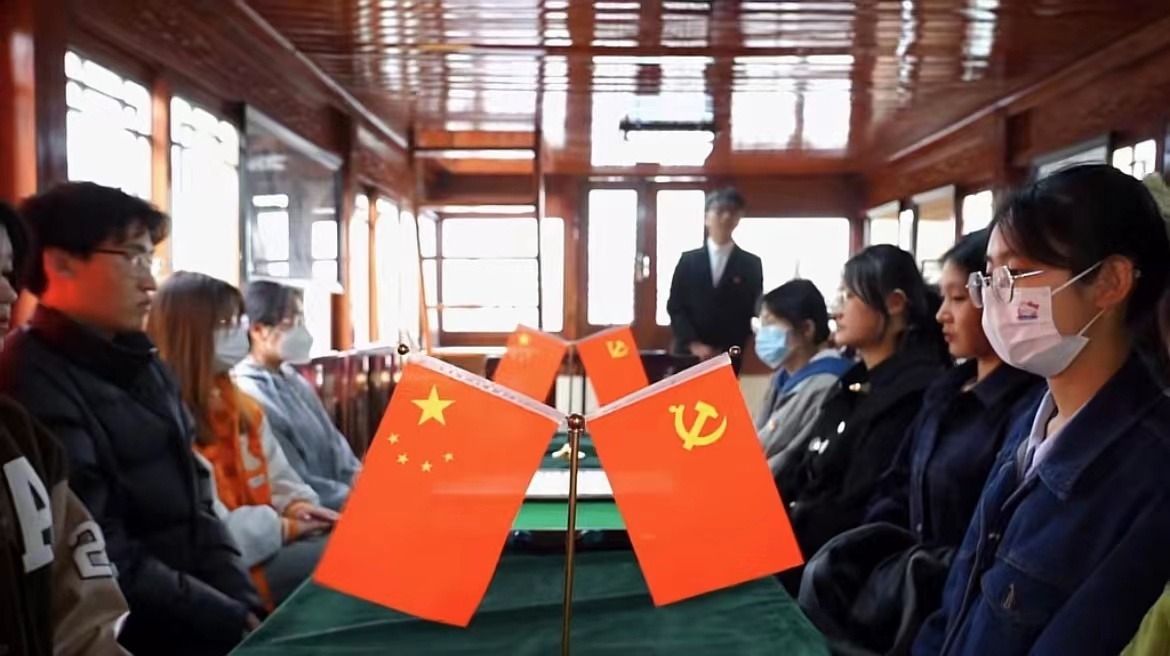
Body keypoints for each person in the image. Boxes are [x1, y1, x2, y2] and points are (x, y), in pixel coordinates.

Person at [913, 164, 1170, 655]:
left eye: (1015, 274)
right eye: (990, 276)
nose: (995, 297)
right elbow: (956, 605)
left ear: (1110, 282)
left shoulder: (1152, 475)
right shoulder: (1032, 423)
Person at [0, 182, 262, 655]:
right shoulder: (29, 378)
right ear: (60, 263)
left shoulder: (145, 363)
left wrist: (241, 602)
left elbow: (199, 506)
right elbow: (102, 550)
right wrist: (223, 617)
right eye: (132, 258)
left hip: (199, 614)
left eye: (150, 260)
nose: (150, 283)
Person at [798, 230, 1044, 655]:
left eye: (959, 298)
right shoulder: (945, 390)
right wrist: (877, 557)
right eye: (943, 297)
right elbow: (894, 486)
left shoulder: (1027, 407)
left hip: (951, 604)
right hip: (893, 586)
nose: (942, 314)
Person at [148, 272, 335, 609]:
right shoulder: (163, 414)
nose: (240, 333)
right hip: (224, 568)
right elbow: (214, 530)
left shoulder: (241, 405)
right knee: (346, 561)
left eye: (239, 321)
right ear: (190, 332)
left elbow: (280, 477)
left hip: (269, 541)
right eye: (226, 323)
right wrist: (285, 528)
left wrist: (297, 506)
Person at [774, 244, 948, 593]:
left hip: (835, 571)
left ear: (894, 303)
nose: (837, 311)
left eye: (849, 296)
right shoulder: (853, 380)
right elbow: (802, 465)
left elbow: (855, 507)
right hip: (796, 544)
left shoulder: (915, 391)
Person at [0, 202, 130, 656]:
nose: (8, 293)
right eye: (131, 255)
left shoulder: (22, 438)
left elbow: (85, 619)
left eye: (8, 272)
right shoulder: (34, 374)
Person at [234, 280, 361, 511]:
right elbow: (293, 479)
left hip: (345, 502)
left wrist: (363, 483)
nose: (300, 330)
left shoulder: (294, 380)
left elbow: (336, 447)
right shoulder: (250, 393)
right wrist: (354, 500)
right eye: (290, 322)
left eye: (301, 320)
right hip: (313, 511)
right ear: (258, 330)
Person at [753, 279, 854, 476]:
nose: (762, 335)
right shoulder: (782, 377)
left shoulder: (829, 383)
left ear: (807, 329)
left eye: (770, 324)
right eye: (761, 325)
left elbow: (790, 455)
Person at [666, 188, 763, 370]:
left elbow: (750, 310)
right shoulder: (688, 261)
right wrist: (694, 344)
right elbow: (675, 306)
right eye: (719, 211)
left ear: (739, 218)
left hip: (728, 353)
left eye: (732, 212)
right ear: (706, 218)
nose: (726, 217)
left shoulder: (751, 264)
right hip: (688, 352)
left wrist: (724, 350)